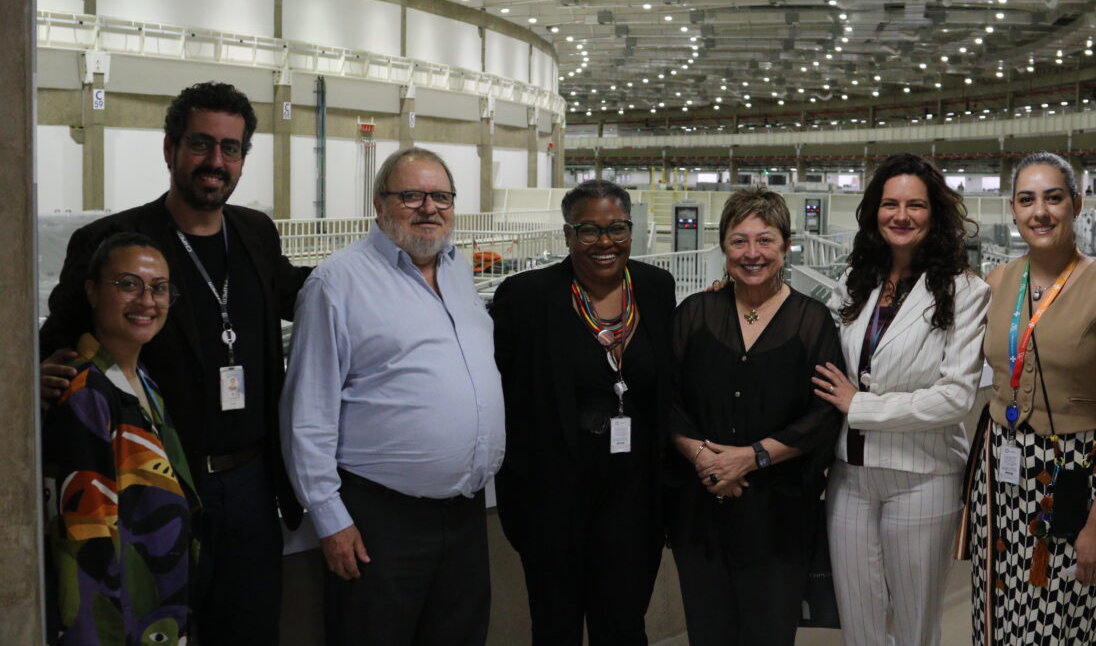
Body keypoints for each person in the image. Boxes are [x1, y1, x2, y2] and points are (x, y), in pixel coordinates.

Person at [40, 81, 308, 646]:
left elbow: (305, 295)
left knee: (251, 631)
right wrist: (29, 382)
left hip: (253, 484)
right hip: (155, 490)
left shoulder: (255, 233)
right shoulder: (112, 241)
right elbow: (57, 343)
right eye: (201, 144)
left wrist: (395, 263)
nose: (216, 161)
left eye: (231, 149)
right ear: (170, 149)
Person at [281, 147, 505, 646]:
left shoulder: (458, 268)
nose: (430, 208)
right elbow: (307, 413)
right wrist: (331, 520)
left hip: (464, 516)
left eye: (442, 196)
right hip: (380, 522)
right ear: (379, 205)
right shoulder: (336, 283)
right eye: (412, 196)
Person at [965, 152, 1096, 646]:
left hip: (1072, 480)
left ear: (1077, 204)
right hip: (999, 479)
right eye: (1027, 200)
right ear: (1013, 209)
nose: (1040, 211)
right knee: (996, 618)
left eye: (1053, 197)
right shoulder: (999, 281)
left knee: (1057, 625)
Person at [810, 153, 989, 646]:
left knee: (913, 626)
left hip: (922, 476)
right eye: (890, 204)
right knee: (859, 626)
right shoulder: (856, 282)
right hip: (849, 476)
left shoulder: (965, 290)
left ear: (935, 214)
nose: (901, 215)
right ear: (874, 212)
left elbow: (955, 397)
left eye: (915, 205)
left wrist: (860, 407)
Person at [490, 180, 676, 646]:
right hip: (554, 491)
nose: (605, 242)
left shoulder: (656, 287)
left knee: (625, 623)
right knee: (556, 624)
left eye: (617, 228)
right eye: (589, 230)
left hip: (634, 491)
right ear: (568, 234)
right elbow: (500, 391)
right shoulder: (527, 296)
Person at [668, 187, 843, 646]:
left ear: (786, 247)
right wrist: (705, 458)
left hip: (779, 516)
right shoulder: (693, 314)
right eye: (738, 241)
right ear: (722, 247)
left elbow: (823, 414)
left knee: (769, 633)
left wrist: (751, 457)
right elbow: (666, 400)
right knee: (708, 631)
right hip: (701, 510)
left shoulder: (813, 321)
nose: (752, 253)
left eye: (765, 240)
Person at [44, 232, 198, 645]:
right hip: (116, 622)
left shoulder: (141, 380)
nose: (147, 301)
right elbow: (85, 544)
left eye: (159, 288)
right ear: (92, 292)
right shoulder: (85, 390)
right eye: (128, 284)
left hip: (154, 608)